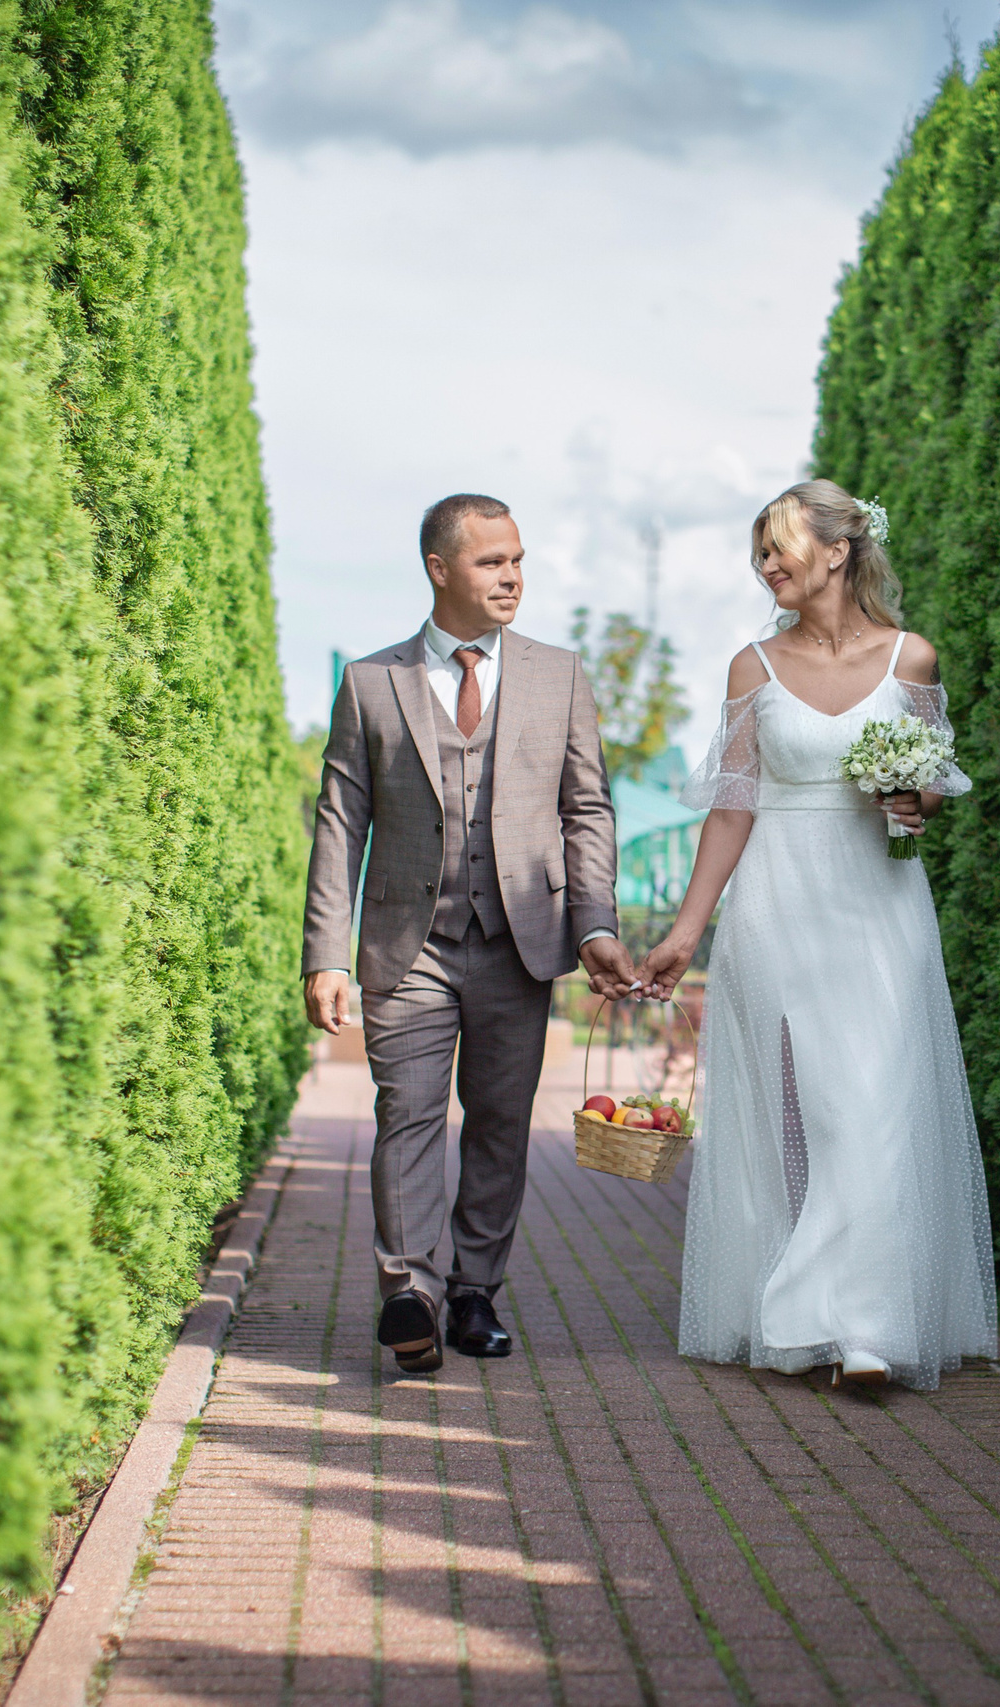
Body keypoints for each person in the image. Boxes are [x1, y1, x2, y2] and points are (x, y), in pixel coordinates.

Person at [636, 479, 997, 1390]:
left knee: (874, 1107)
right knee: (796, 1116)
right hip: (775, 904)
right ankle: (805, 1320)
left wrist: (911, 804)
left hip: (878, 904)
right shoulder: (750, 667)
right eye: (759, 553)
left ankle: (867, 1329)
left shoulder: (911, 659)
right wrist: (688, 932)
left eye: (781, 546)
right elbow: (729, 810)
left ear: (838, 550)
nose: (767, 565)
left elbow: (927, 799)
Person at [303, 493, 638, 1375]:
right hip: (406, 946)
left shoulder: (558, 674)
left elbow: (586, 807)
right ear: (439, 569)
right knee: (406, 1114)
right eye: (493, 562)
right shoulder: (372, 682)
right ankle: (408, 1290)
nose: (513, 576)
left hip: (517, 940)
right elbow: (340, 821)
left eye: (520, 559)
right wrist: (325, 955)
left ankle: (474, 1292)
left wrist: (594, 921)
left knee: (498, 1121)